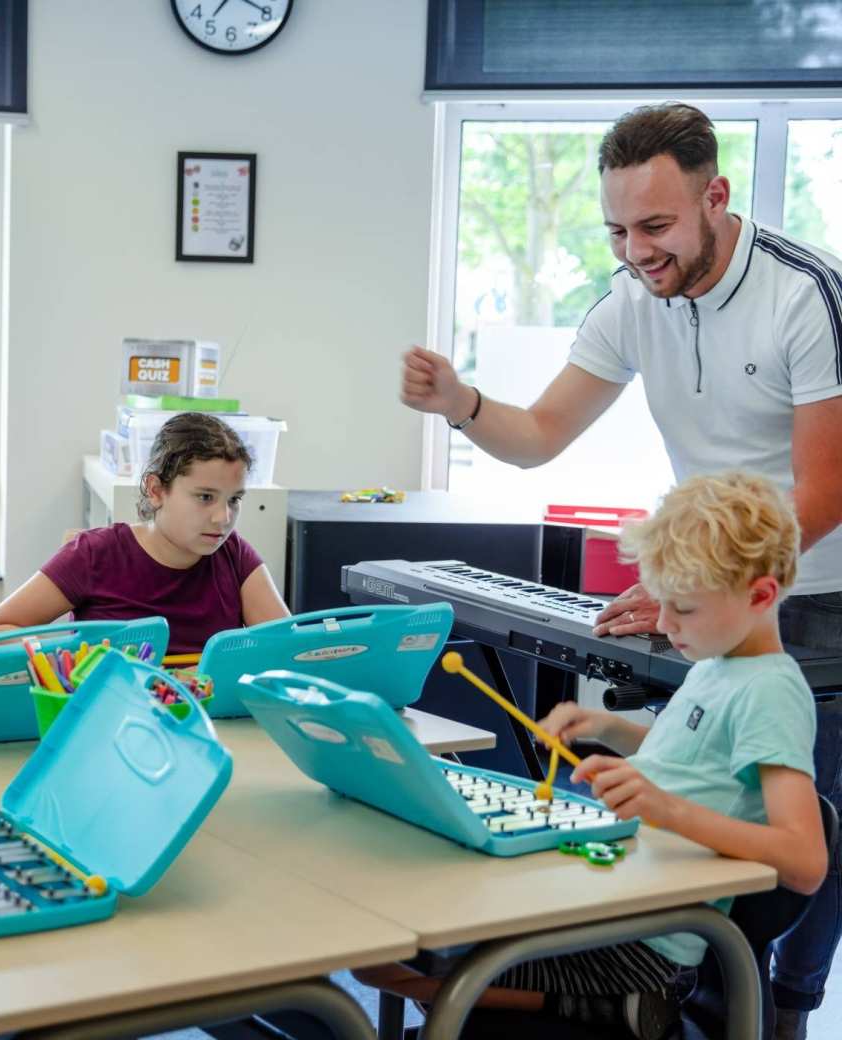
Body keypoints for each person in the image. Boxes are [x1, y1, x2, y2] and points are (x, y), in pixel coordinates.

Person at [401, 102, 842, 1039]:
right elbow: (538, 437)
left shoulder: (806, 295)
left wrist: (709, 582)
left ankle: (779, 1019)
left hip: (819, 590)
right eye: (616, 229)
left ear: (714, 198)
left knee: (789, 883)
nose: (635, 250)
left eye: (655, 226)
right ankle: (669, 999)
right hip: (728, 585)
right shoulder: (630, 300)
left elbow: (826, 486)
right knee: (708, 795)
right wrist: (462, 402)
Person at [357, 471, 826, 1039]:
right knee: (404, 951)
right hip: (619, 897)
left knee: (433, 968)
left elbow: (805, 863)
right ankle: (601, 1005)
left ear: (760, 595)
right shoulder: (719, 664)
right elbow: (700, 763)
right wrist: (608, 728)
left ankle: (626, 1002)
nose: (668, 625)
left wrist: (667, 810)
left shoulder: (770, 691)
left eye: (684, 609)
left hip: (650, 941)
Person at [0, 412, 288, 645]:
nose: (223, 518)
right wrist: (73, 658)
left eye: (234, 500)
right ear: (156, 490)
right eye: (205, 497)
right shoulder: (94, 555)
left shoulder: (235, 556)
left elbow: (292, 649)